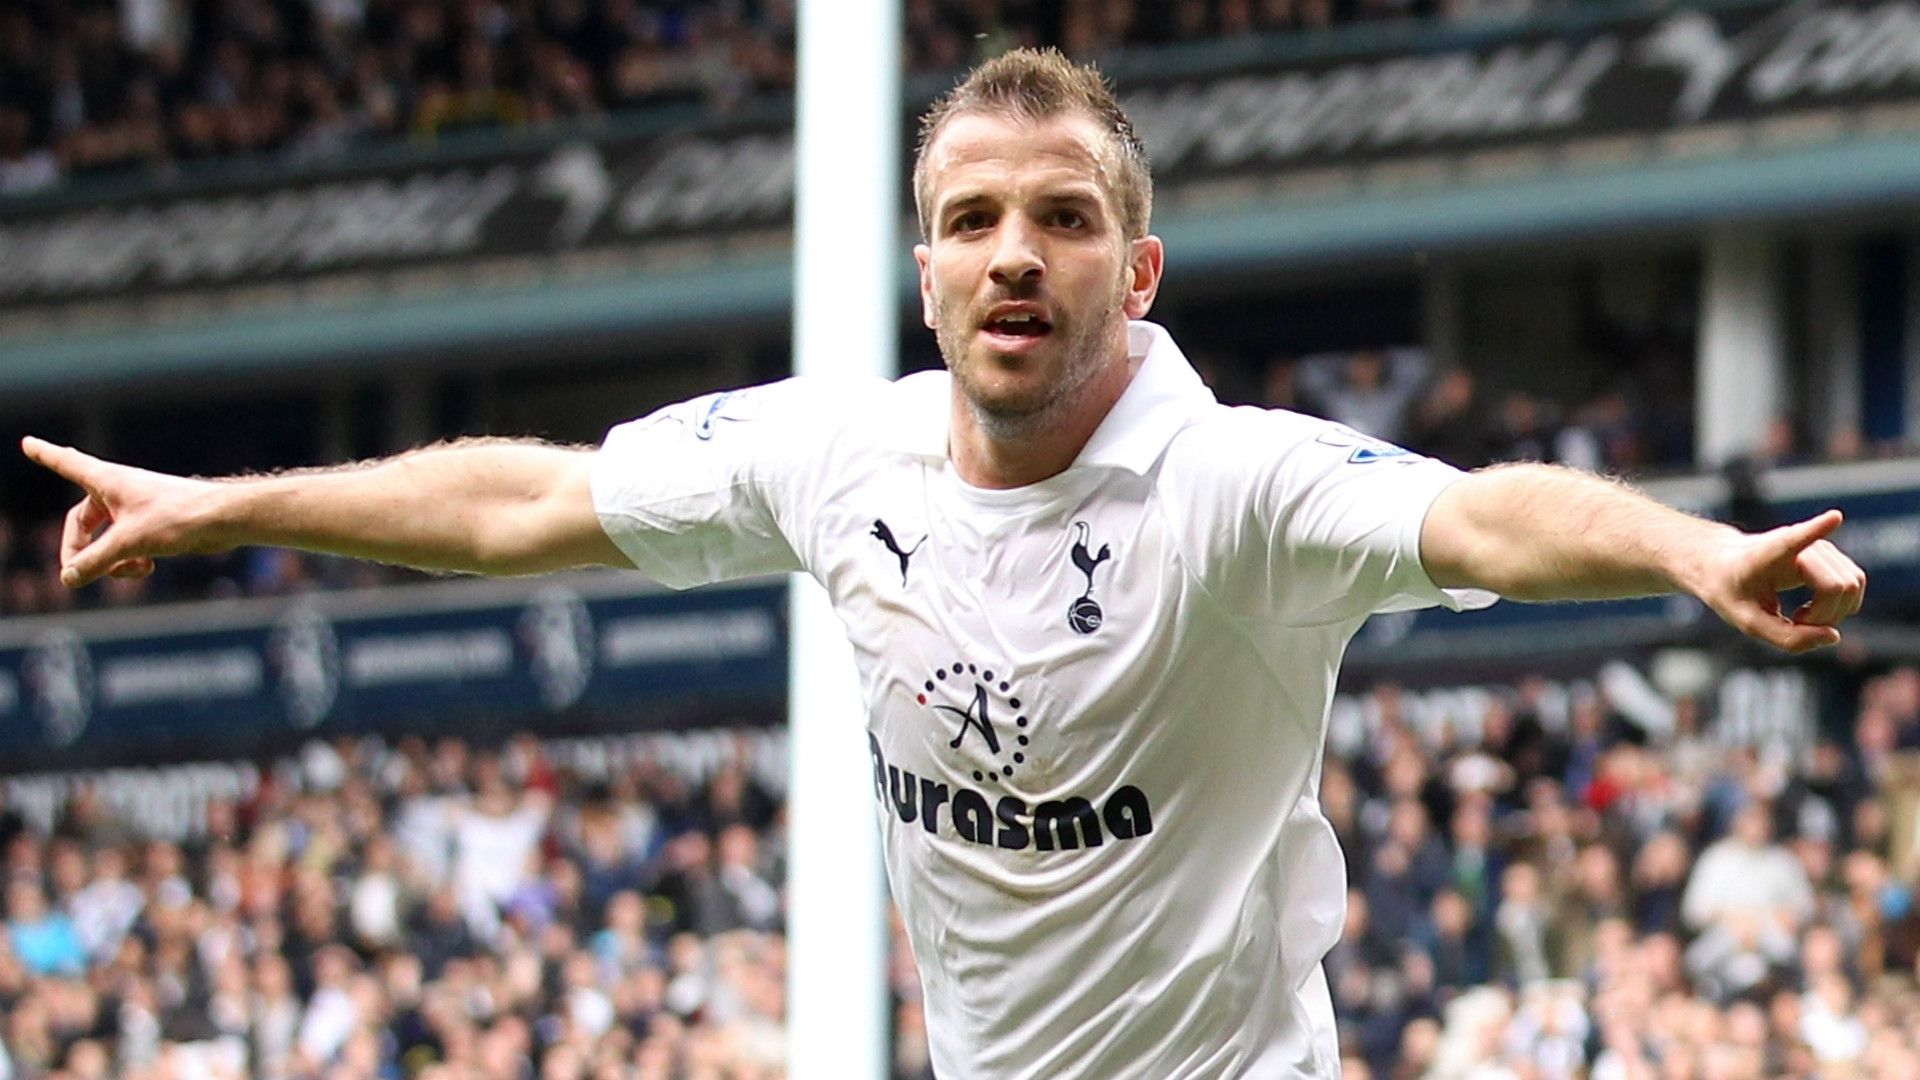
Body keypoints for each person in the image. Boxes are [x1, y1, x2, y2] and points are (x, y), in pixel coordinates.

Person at [20, 48, 1866, 1080]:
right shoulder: (840, 456)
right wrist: (226, 504)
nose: (1012, 254)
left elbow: (1481, 514)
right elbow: (526, 501)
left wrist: (1694, 553)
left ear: (1135, 273)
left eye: (1064, 219)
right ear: (924, 273)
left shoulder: (1228, 487)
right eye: (970, 219)